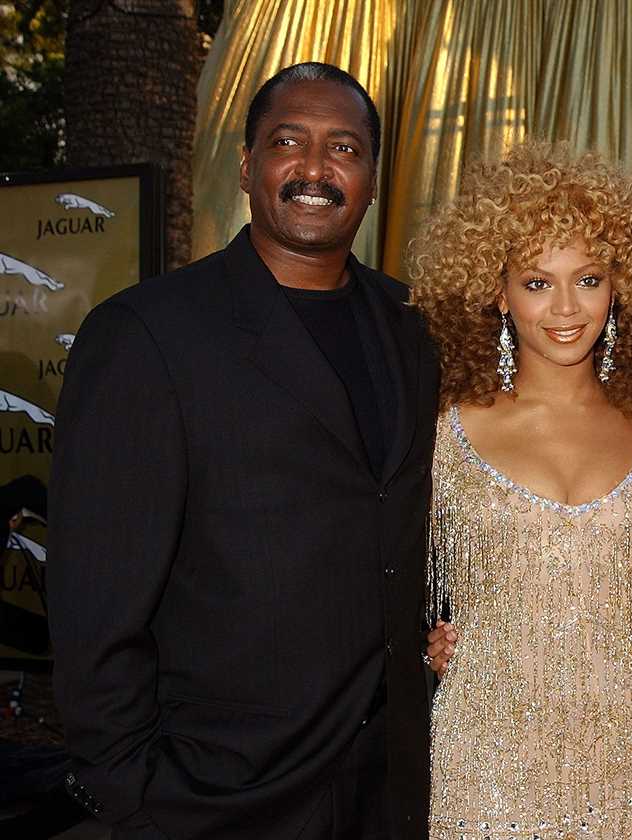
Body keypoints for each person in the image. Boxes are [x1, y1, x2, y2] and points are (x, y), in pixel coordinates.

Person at [47, 62, 439, 839]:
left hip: (391, 788)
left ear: (370, 176)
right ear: (248, 165)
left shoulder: (414, 325)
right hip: (216, 794)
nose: (316, 170)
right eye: (288, 143)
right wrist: (134, 789)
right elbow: (94, 597)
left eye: (345, 148)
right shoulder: (149, 334)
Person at [406, 141, 632, 839]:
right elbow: (377, 573)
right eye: (537, 283)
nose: (565, 307)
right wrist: (424, 644)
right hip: (484, 760)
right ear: (496, 289)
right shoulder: (444, 432)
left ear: (621, 285)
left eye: (589, 279)